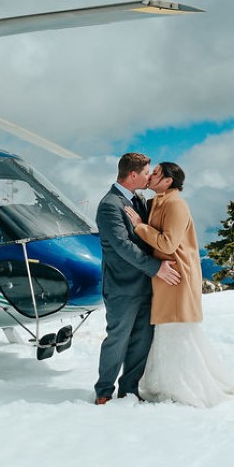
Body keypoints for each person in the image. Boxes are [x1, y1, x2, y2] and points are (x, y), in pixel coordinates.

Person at [124, 161, 234, 408]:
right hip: (166, 277)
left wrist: (139, 227)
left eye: (156, 173)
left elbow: (167, 244)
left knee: (175, 331)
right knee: (168, 331)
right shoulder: (160, 201)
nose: (151, 176)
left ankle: (182, 387)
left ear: (168, 181)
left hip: (176, 277)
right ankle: (168, 383)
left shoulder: (176, 205)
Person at [94, 152, 181, 405]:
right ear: (133, 174)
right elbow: (123, 246)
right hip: (122, 287)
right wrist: (157, 268)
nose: (149, 177)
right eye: (146, 173)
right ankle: (104, 391)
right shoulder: (110, 205)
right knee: (118, 340)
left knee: (142, 340)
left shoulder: (138, 200)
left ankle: (129, 390)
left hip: (146, 285)